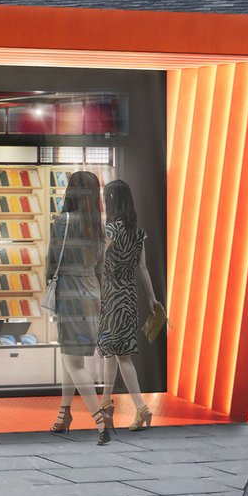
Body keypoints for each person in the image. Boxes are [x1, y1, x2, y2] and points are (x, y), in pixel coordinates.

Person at [46, 170, 111, 444]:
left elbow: (51, 261)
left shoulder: (62, 221)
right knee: (71, 355)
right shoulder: (98, 225)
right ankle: (64, 414)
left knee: (74, 361)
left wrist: (49, 286)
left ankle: (99, 420)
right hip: (92, 293)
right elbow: (101, 267)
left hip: (70, 293)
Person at [97, 180, 160, 432]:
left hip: (111, 295)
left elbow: (99, 261)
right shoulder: (137, 231)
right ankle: (105, 403)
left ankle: (141, 407)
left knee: (118, 354)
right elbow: (142, 268)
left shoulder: (110, 229)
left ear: (110, 200)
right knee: (114, 351)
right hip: (129, 295)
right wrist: (152, 298)